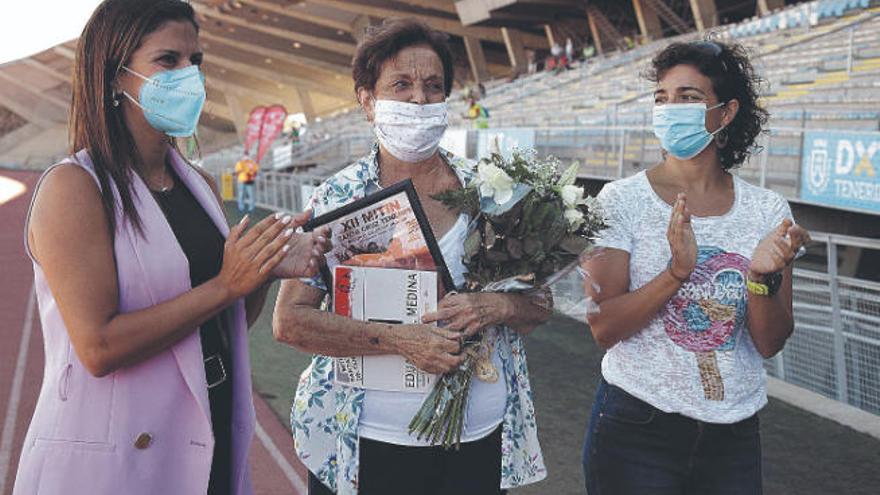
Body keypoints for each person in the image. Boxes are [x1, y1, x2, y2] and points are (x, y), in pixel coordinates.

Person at [13, 1, 329, 494]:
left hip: (204, 432)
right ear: (115, 76)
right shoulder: (74, 188)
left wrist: (263, 269)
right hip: (116, 458)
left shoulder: (197, 184)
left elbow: (223, 324)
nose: (190, 76)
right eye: (169, 60)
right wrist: (227, 284)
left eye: (195, 61)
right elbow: (98, 347)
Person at [272, 18, 550, 495]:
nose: (419, 100)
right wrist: (399, 341)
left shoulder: (490, 190)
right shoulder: (338, 197)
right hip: (366, 442)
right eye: (401, 85)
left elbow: (539, 303)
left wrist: (497, 306)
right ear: (366, 101)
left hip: (477, 439)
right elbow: (289, 322)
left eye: (433, 86)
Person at [580, 40, 811, 494]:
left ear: (725, 114)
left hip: (735, 433)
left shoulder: (768, 210)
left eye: (688, 98)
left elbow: (769, 342)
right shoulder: (620, 200)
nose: (670, 110)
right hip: (635, 427)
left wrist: (761, 280)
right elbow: (603, 328)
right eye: (661, 99)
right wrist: (675, 274)